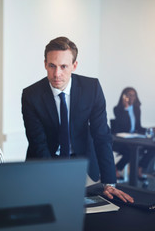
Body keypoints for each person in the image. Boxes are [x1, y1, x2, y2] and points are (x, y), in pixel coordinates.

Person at [21, 36, 133, 203]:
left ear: (74, 66)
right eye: (52, 66)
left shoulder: (91, 88)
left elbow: (102, 136)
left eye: (64, 66)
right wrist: (55, 182)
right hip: (44, 162)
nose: (57, 74)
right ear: (45, 64)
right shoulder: (31, 95)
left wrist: (110, 182)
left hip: (82, 160)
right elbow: (38, 142)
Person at [112, 87, 155, 180]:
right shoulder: (118, 109)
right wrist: (126, 109)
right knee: (131, 150)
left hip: (133, 138)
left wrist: (150, 129)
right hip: (121, 140)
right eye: (129, 95)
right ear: (124, 96)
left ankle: (139, 168)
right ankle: (116, 168)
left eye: (133, 95)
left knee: (153, 147)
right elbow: (121, 125)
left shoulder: (136, 109)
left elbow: (138, 127)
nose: (131, 97)